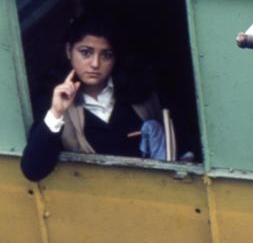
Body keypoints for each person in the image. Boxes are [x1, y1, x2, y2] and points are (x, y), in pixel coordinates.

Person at [20, 12, 165, 181]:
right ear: (69, 51)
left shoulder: (139, 95)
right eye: (85, 53)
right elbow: (33, 171)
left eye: (106, 55)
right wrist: (56, 113)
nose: (95, 64)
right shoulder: (55, 102)